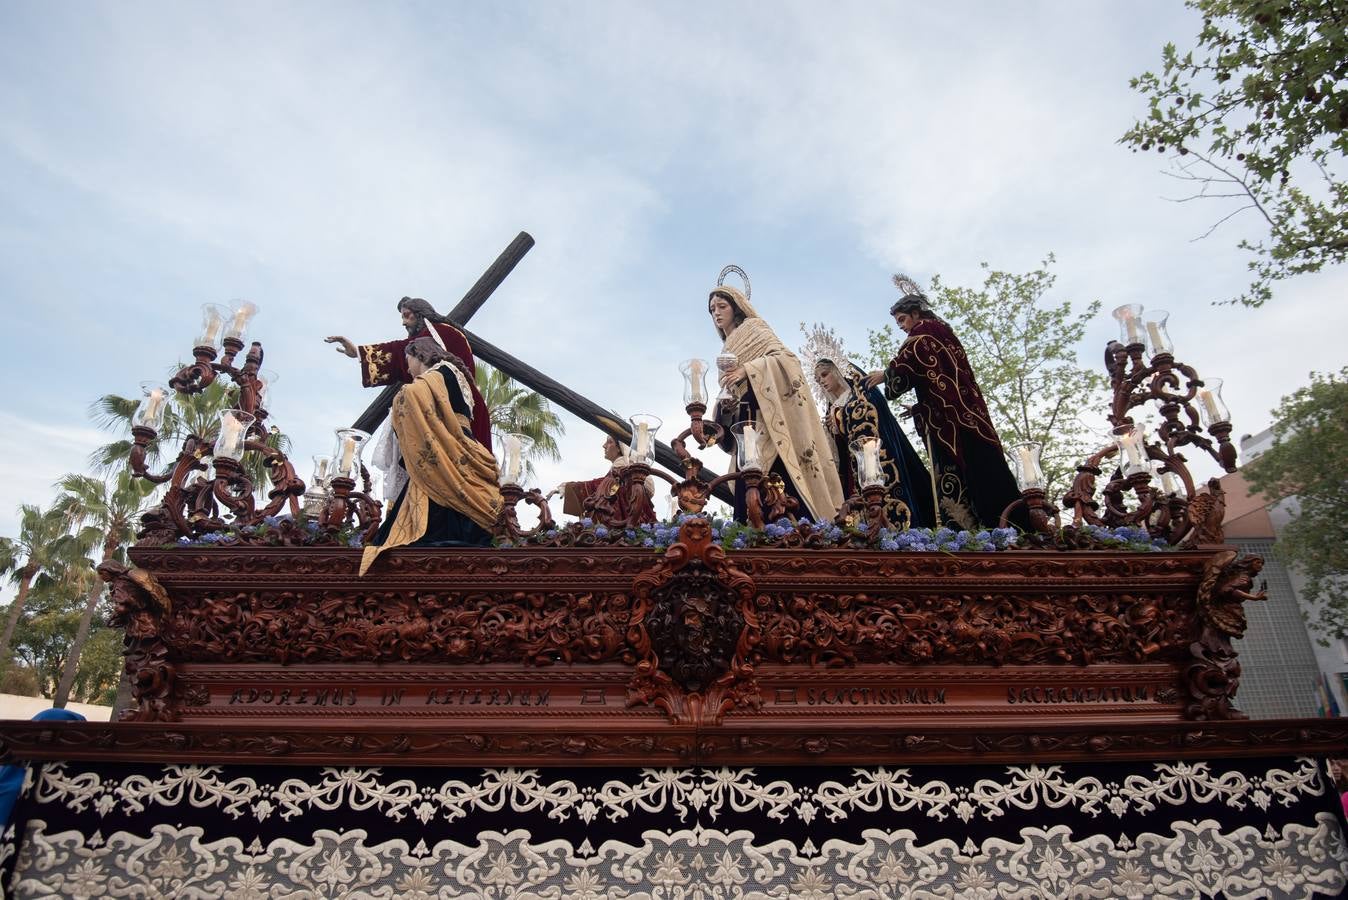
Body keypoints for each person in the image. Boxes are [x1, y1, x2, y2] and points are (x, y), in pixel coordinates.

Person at [865, 284, 1028, 531]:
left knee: (960, 476)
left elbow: (911, 361)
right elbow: (939, 380)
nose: (901, 326)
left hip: (951, 422)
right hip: (967, 414)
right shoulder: (945, 332)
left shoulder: (923, 333)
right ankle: (1007, 525)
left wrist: (885, 375)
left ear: (916, 314)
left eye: (902, 319)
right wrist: (921, 408)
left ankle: (972, 532)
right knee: (986, 468)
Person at [359, 338, 503, 575]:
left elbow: (414, 396)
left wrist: (401, 400)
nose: (407, 368)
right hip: (457, 446)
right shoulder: (456, 376)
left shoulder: (441, 371)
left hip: (447, 448)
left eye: (408, 360)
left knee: (427, 514)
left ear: (421, 355)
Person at [710, 275, 844, 523]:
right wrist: (725, 408)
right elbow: (730, 393)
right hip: (745, 433)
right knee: (750, 498)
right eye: (712, 310)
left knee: (778, 494)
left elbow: (787, 361)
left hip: (772, 428)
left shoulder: (754, 329)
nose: (716, 313)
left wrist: (748, 370)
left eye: (722, 306)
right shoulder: (725, 349)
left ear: (736, 307)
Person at [803, 325, 936, 529]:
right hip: (852, 469)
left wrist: (841, 418)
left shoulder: (863, 391)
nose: (822, 382)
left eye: (824, 374)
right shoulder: (833, 407)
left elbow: (870, 414)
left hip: (879, 461)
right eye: (818, 379)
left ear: (838, 371)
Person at [326, 296, 492, 448]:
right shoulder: (438, 337)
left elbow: (399, 351)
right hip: (448, 407)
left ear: (420, 314)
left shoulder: (442, 333)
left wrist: (358, 352)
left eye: (407, 315)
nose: (403, 323)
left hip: (459, 412)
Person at [556, 434, 656, 525]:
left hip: (623, 526)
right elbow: (611, 491)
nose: (604, 446)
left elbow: (606, 488)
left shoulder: (623, 471)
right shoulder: (619, 472)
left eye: (609, 442)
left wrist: (569, 487)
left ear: (619, 448)